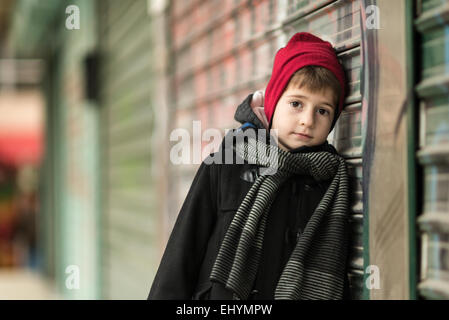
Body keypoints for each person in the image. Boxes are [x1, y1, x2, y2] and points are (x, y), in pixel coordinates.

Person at [148, 32, 351, 300]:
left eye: (322, 110)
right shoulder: (230, 159)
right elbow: (186, 244)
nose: (307, 120)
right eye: (296, 104)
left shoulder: (329, 177)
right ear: (273, 102)